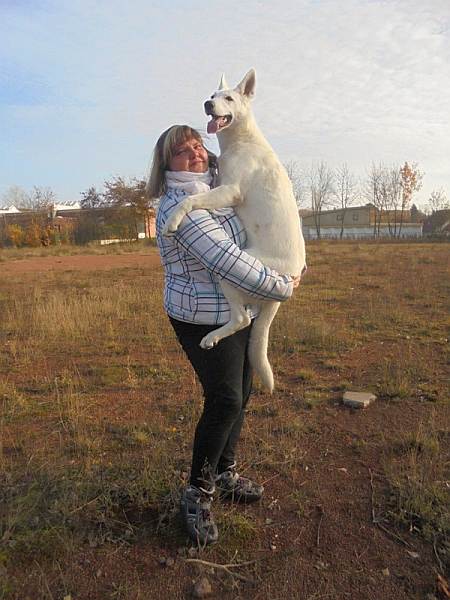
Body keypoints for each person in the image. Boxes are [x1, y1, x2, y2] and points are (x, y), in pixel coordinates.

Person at [147, 125, 300, 545]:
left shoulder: (216, 190)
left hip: (234, 311)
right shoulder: (185, 209)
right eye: (182, 151)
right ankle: (197, 493)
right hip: (200, 317)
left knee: (243, 391)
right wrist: (285, 283)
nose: (195, 153)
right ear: (166, 165)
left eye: (198, 145)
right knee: (226, 398)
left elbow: (260, 224)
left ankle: (225, 472)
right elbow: (228, 260)